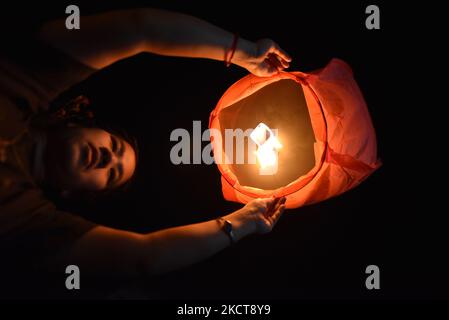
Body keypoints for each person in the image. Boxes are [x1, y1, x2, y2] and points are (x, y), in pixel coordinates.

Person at [0, 8, 290, 278]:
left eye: (111, 173)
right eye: (114, 147)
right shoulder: (28, 77)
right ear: (78, 123)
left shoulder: (32, 226)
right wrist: (245, 52)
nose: (107, 158)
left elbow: (144, 256)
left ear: (77, 192)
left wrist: (244, 223)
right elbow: (142, 30)